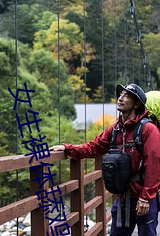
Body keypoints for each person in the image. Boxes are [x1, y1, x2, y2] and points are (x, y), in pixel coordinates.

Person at [49, 83, 160, 236]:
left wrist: (146, 198)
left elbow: (154, 165)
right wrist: (68, 148)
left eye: (126, 96)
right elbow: (94, 147)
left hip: (143, 197)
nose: (120, 98)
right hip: (123, 197)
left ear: (137, 104)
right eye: (120, 95)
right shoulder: (115, 129)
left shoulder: (148, 129)